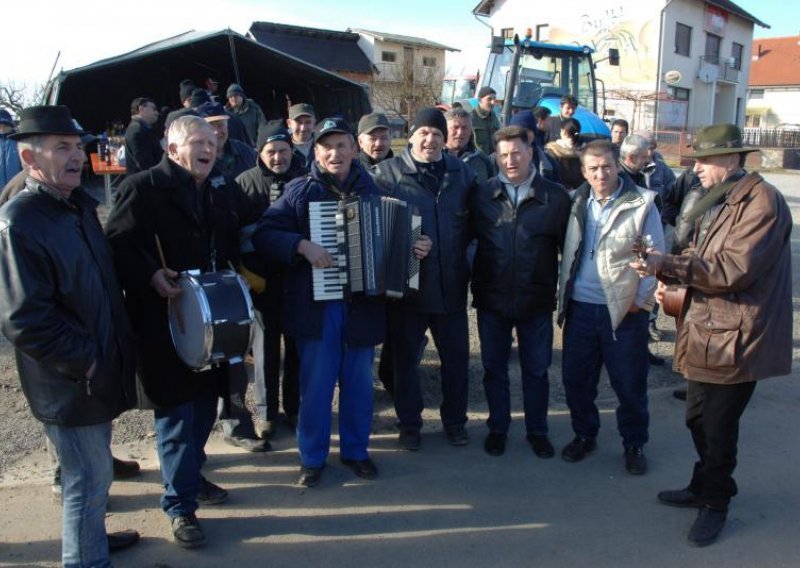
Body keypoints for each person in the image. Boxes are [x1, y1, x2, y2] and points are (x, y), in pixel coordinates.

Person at [631, 123, 792, 547]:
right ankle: (705, 485)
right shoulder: (721, 197)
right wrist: (668, 271)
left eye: (703, 159)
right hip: (710, 327)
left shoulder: (762, 203)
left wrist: (669, 265)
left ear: (732, 158)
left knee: (718, 427)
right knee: (697, 417)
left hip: (739, 335)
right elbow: (703, 257)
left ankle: (715, 502)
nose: (696, 167)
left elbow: (732, 270)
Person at [254, 117, 432, 487]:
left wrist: (418, 247)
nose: (335, 153)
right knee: (316, 387)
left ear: (354, 148)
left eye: (342, 145)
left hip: (363, 308)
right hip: (317, 309)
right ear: (316, 151)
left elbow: (403, 239)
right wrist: (301, 245)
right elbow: (266, 233)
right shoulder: (300, 191)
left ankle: (356, 451)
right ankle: (312, 458)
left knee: (358, 386)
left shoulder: (377, 191)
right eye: (327, 146)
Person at [105, 115, 258, 548]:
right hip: (164, 325)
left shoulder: (218, 190)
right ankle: (180, 507)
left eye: (213, 141)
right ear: (173, 149)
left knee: (205, 414)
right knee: (176, 418)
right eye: (199, 141)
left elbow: (227, 245)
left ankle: (190, 477)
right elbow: (116, 245)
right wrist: (151, 273)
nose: (210, 148)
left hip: (213, 325)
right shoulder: (142, 187)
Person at [0, 105, 141, 566]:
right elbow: (25, 318)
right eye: (61, 147)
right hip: (69, 379)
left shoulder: (76, 206)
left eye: (78, 146)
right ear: (29, 158)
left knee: (94, 472)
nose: (76, 156)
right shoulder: (20, 221)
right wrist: (90, 361)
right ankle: (85, 557)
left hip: (90, 370)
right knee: (86, 479)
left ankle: (91, 537)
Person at [371, 107, 479, 451]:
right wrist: (405, 245)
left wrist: (468, 263)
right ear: (412, 136)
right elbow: (371, 228)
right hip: (408, 289)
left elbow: (477, 229)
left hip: (450, 288)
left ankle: (455, 422)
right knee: (405, 361)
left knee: (457, 359)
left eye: (436, 133)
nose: (430, 139)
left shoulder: (462, 174)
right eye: (423, 133)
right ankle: (410, 424)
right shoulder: (386, 175)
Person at [557, 139, 664, 475]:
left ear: (618, 165)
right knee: (577, 381)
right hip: (581, 310)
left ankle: (634, 443)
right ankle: (584, 434)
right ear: (584, 173)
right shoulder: (575, 201)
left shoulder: (643, 204)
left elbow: (655, 255)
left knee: (629, 385)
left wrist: (640, 302)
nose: (601, 173)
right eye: (593, 168)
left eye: (606, 166)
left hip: (623, 311)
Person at [471, 126, 570, 457]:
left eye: (516, 153)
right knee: (494, 368)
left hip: (536, 301)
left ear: (531, 152)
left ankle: (537, 430)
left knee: (536, 370)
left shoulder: (555, 197)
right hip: (492, 299)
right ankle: (498, 427)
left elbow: (569, 250)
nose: (510, 160)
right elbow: (466, 240)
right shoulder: (481, 195)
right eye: (502, 155)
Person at [236, 121, 306, 438]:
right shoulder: (244, 184)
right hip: (259, 281)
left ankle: (295, 408)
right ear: (259, 152)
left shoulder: (304, 181)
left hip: (296, 280)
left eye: (283, 150)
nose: (278, 157)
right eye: (271, 151)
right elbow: (231, 234)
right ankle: (266, 414)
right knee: (264, 350)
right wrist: (243, 272)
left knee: (296, 348)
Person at [197, 102, 257, 179]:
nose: (216, 132)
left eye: (220, 125)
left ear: (227, 125)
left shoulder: (244, 151)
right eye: (210, 126)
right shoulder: (196, 159)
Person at [508, 110, 560, 183]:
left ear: (534, 133)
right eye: (516, 131)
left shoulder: (549, 163)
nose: (521, 135)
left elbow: (556, 190)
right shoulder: (496, 160)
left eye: (526, 131)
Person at [445, 107, 493, 184]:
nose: (460, 132)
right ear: (445, 129)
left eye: (465, 128)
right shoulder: (434, 158)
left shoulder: (483, 161)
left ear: (471, 131)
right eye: (455, 127)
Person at [124, 97, 162, 175]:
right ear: (141, 109)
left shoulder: (139, 128)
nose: (157, 113)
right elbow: (145, 165)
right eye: (154, 109)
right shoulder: (137, 131)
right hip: (145, 183)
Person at [545, 117, 583, 192]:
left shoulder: (552, 150)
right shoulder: (584, 152)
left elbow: (549, 176)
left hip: (559, 192)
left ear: (562, 132)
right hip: (580, 193)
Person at [287, 103, 317, 169]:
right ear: (289, 123)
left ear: (314, 122)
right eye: (298, 122)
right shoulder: (283, 147)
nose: (303, 128)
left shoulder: (323, 144)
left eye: (308, 122)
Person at [471, 86, 500, 155]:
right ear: (480, 100)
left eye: (494, 99)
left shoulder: (494, 117)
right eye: (489, 99)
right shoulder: (471, 118)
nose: (493, 102)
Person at [1, 109, 22, 188]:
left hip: (17, 189)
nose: (2, 128)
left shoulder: (19, 140)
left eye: (5, 125)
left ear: (10, 125)